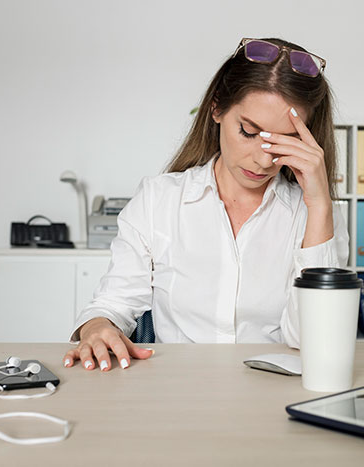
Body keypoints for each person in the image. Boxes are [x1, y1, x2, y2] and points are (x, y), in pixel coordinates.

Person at [63, 37, 349, 372]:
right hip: (181, 395)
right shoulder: (160, 200)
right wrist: (98, 326)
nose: (262, 159)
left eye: (284, 141)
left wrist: (318, 205)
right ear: (216, 109)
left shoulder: (315, 214)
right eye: (248, 131)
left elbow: (315, 340)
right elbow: (114, 303)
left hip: (273, 396)